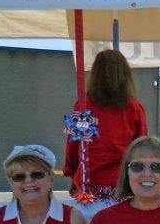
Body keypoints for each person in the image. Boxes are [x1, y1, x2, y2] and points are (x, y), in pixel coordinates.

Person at [63, 49, 148, 200]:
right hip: (122, 183)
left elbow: (74, 144)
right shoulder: (134, 106)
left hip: (88, 180)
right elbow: (142, 147)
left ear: (95, 74)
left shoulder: (83, 104)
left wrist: (72, 173)